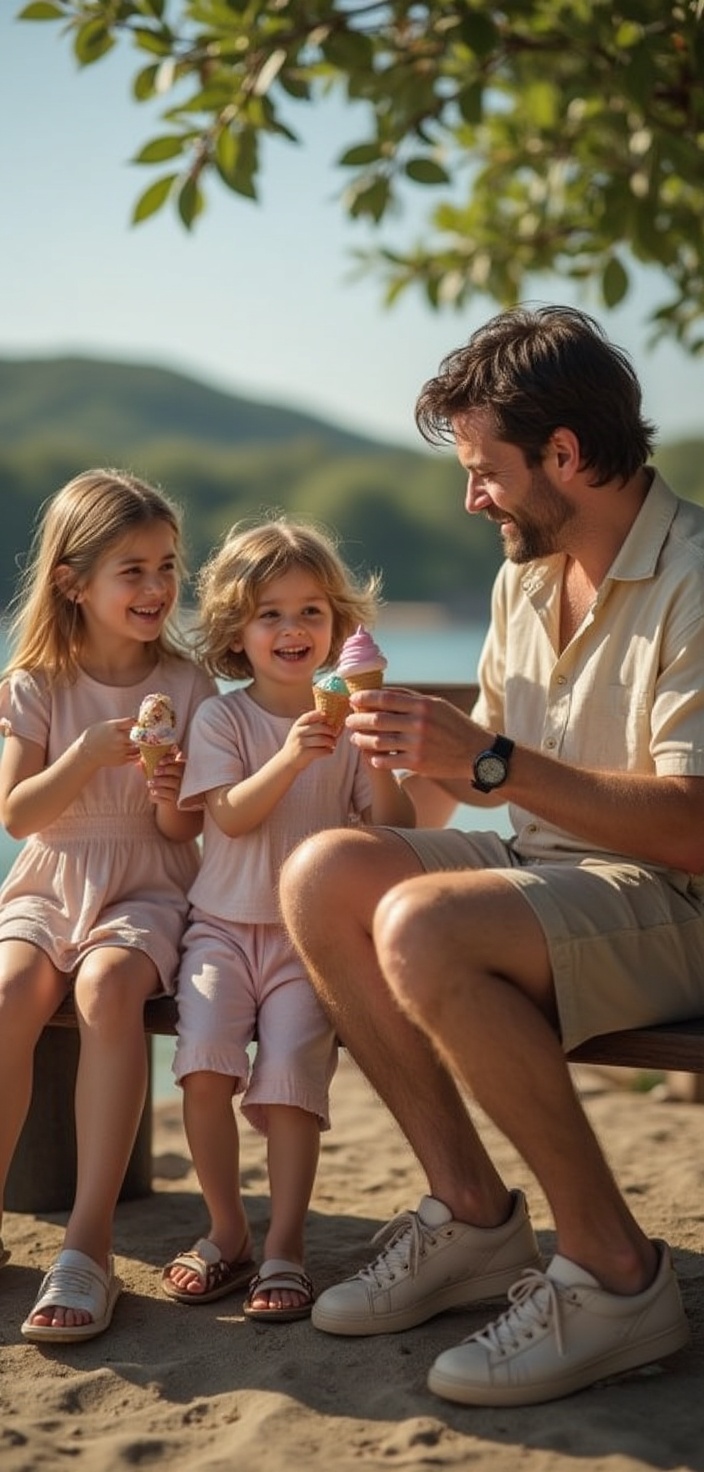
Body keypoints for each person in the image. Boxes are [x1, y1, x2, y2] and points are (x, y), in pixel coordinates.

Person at [279, 305, 704, 1406]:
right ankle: (472, 1219)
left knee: (422, 923)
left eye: (483, 470)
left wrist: (487, 762)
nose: (470, 497)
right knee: (324, 871)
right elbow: (462, 782)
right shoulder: (524, 577)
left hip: (675, 894)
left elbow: (689, 822)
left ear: (564, 454)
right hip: (551, 877)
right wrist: (374, 766)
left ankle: (617, 1276)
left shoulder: (696, 574)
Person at [161, 518, 414, 1321]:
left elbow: (392, 829)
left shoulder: (350, 727)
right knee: (204, 1065)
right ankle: (229, 1230)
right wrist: (292, 754)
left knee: (292, 1087)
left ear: (338, 625)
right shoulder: (223, 720)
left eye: (311, 611)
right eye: (270, 613)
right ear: (238, 630)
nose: (292, 628)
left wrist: (372, 753)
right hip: (223, 931)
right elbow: (227, 816)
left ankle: (287, 1244)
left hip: (314, 941)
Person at [0, 468, 215, 1343]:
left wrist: (170, 785)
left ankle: (87, 1243)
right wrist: (87, 756)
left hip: (149, 882)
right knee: (9, 996)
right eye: (133, 569)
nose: (158, 587)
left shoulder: (190, 685)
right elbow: (19, 813)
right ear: (73, 582)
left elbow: (178, 828)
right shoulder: (36, 684)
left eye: (167, 565)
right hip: (52, 876)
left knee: (107, 990)